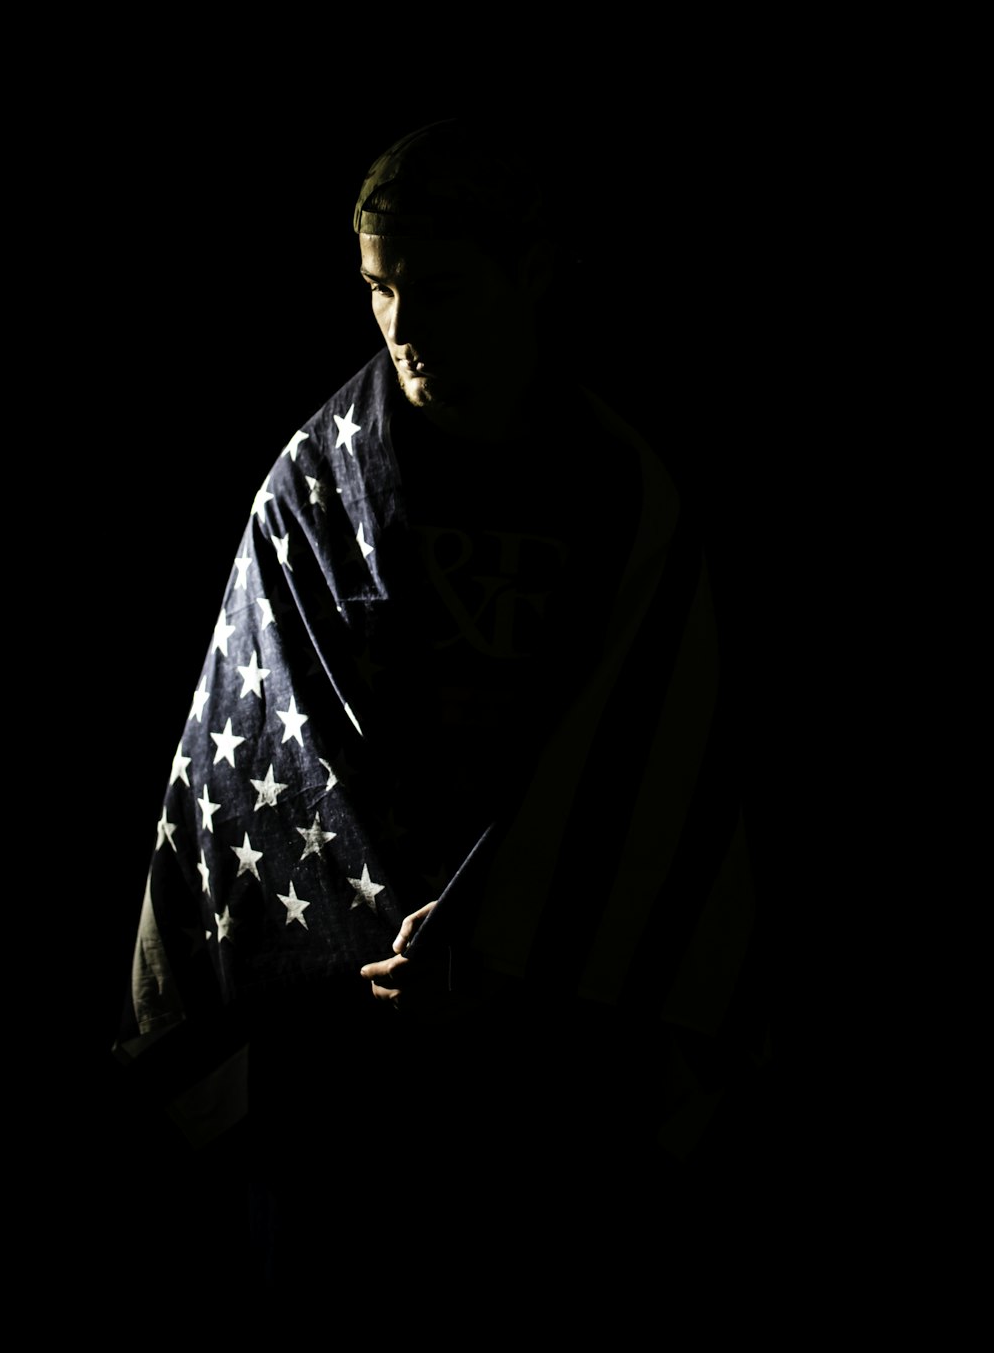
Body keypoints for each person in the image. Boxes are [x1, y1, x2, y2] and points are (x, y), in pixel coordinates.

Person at [116, 118, 771, 1293]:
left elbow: (643, 761)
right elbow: (275, 744)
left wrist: (499, 939)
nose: (403, 327)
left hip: (547, 1044)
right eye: (376, 289)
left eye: (440, 287)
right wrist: (391, 928)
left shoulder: (624, 498)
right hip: (345, 1043)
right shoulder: (314, 485)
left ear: (532, 274)